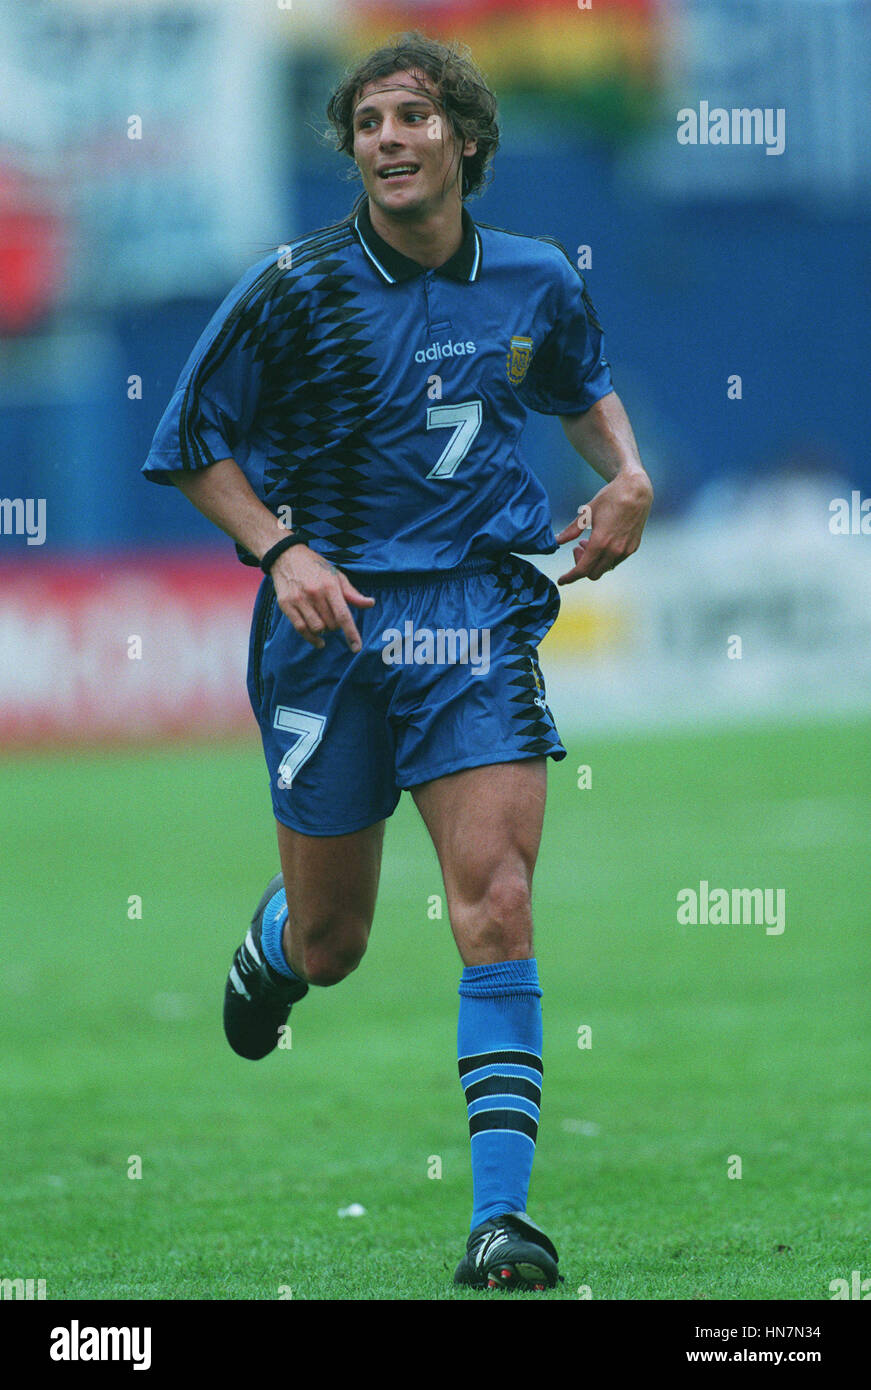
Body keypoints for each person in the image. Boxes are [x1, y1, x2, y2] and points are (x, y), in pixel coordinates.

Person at [143, 31, 652, 1292]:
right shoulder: (292, 287)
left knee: (495, 904)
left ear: (463, 141)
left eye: (411, 117)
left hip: (474, 619)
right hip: (330, 631)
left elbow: (575, 383)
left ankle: (500, 1223)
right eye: (368, 122)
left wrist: (626, 475)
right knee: (337, 942)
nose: (387, 140)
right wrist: (280, 551)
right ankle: (274, 949)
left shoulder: (535, 277)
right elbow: (191, 438)